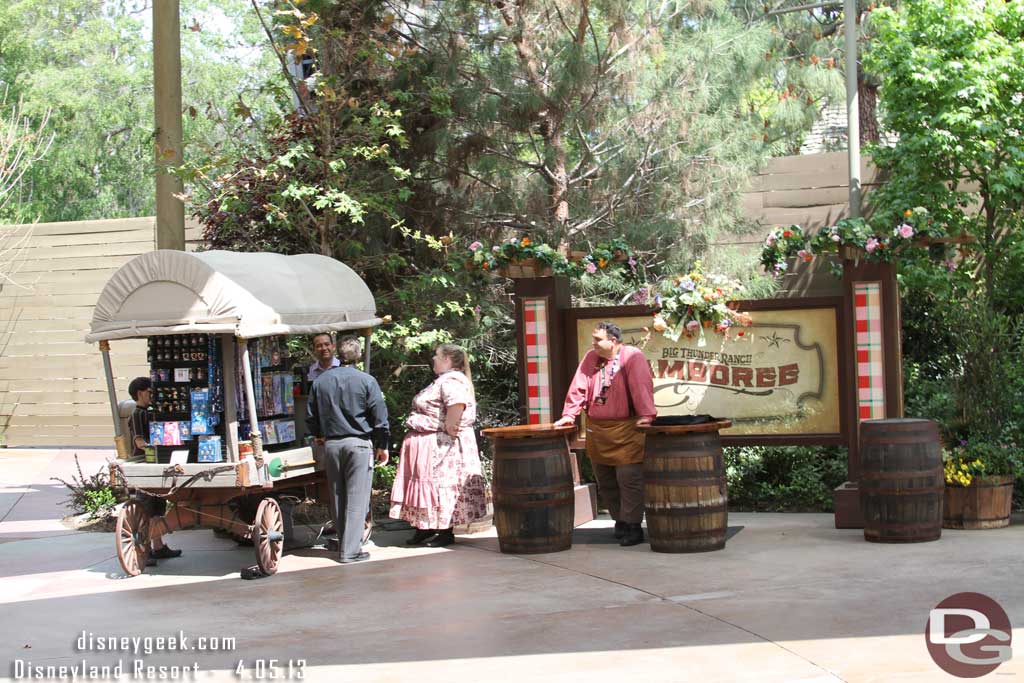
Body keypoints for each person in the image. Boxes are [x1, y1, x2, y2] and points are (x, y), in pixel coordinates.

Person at [554, 322, 656, 547]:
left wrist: (646, 415)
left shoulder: (632, 356)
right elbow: (578, 386)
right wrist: (569, 415)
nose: (594, 344)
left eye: (599, 339)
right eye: (593, 339)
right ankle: (620, 520)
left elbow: (641, 386)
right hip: (598, 430)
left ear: (614, 341)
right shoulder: (591, 358)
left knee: (628, 478)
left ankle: (633, 525)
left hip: (627, 430)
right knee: (606, 479)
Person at [389, 343, 488, 548]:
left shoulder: (452, 382)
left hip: (444, 448)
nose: (433, 359)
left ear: (447, 360)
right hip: (431, 444)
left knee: (442, 485)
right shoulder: (443, 381)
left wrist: (445, 430)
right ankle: (424, 527)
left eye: (436, 356)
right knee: (431, 485)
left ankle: (444, 531)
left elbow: (455, 414)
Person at [306, 336, 390, 564]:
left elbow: (311, 417)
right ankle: (351, 551)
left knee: (337, 496)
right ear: (359, 355)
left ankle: (344, 543)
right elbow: (380, 419)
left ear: (336, 352)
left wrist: (320, 435)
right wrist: (382, 445)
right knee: (357, 498)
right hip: (359, 444)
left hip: (332, 445)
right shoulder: (366, 380)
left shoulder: (320, 382)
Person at [126, 376, 182, 565]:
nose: (152, 396)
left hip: (154, 463)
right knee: (146, 508)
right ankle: (146, 549)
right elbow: (139, 442)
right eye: (150, 392)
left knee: (157, 506)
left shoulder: (149, 413)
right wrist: (157, 447)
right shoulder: (137, 414)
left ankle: (158, 546)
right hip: (144, 464)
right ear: (140, 393)